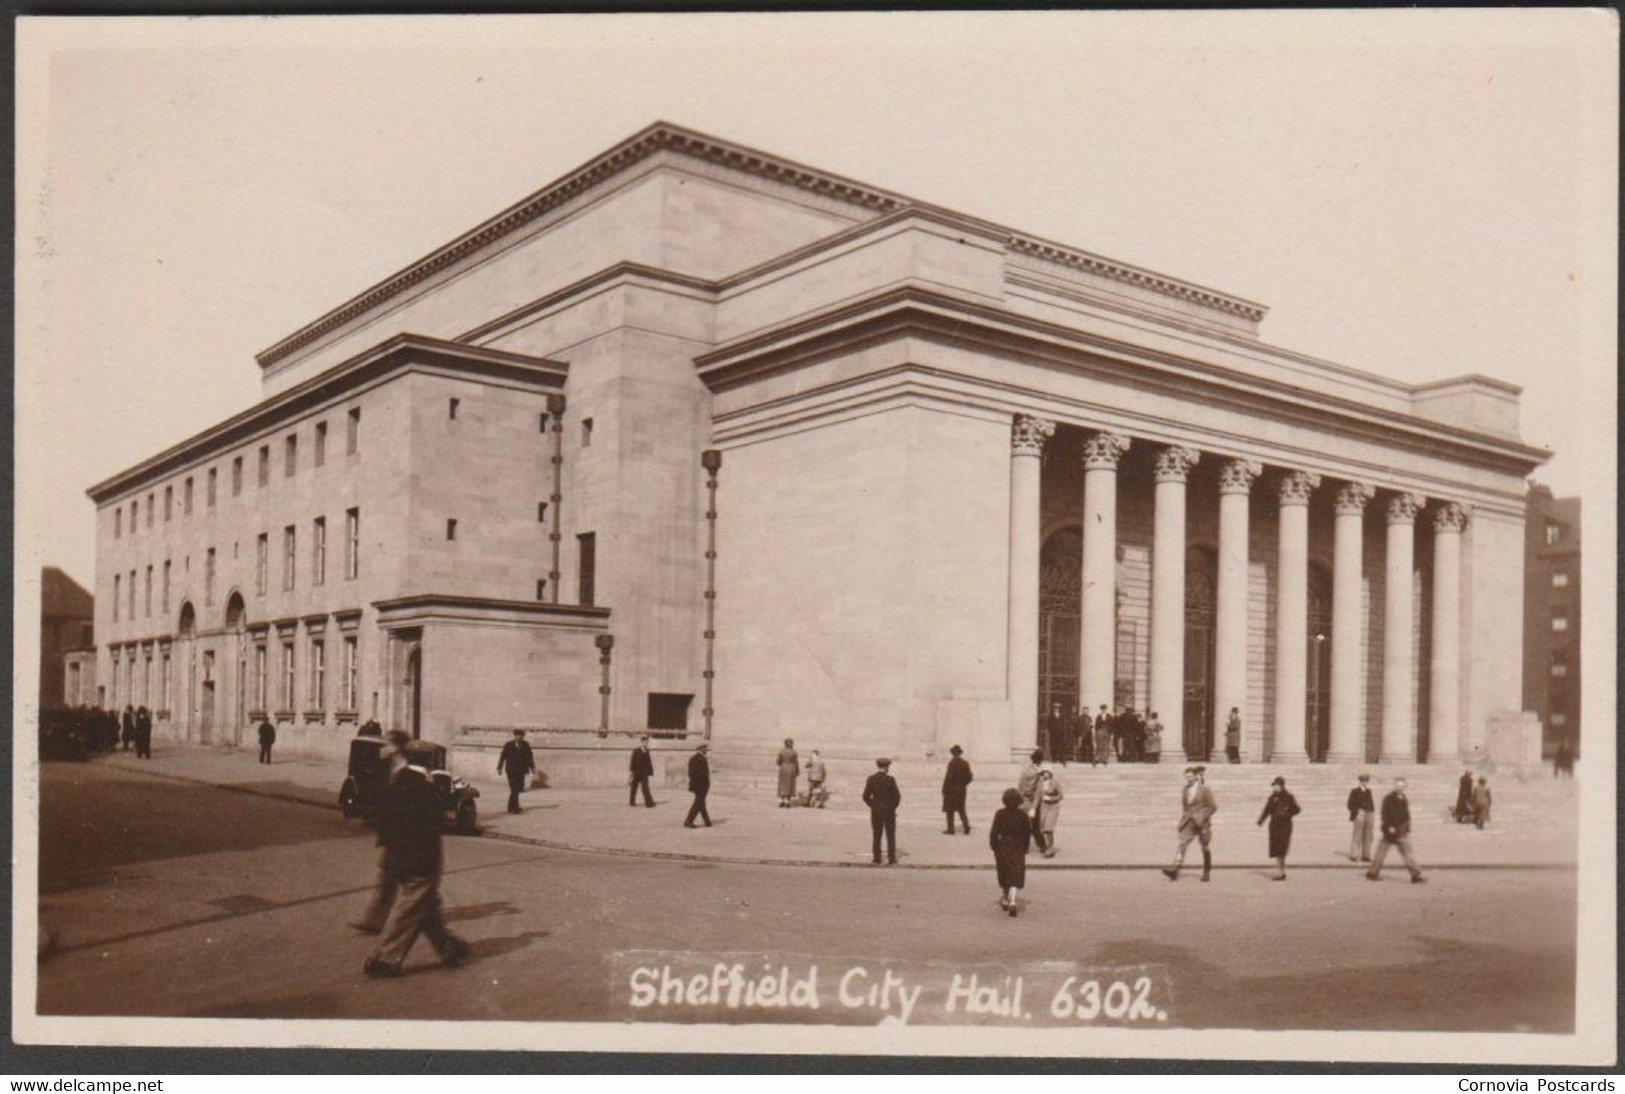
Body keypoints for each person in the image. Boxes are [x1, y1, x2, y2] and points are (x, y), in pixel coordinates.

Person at [362, 733, 470, 977]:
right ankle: (385, 958)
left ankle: (446, 948)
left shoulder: (401, 780)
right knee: (415, 907)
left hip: (403, 856)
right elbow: (436, 820)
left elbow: (386, 817)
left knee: (421, 906)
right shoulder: (422, 783)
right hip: (419, 859)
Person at [1162, 766, 1217, 882]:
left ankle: (1206, 872)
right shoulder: (1185, 790)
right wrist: (1184, 819)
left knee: (1205, 847)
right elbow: (1185, 807)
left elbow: (1213, 807)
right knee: (1182, 844)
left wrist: (1202, 817)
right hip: (1189, 822)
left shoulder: (1205, 790)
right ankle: (1175, 869)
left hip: (1202, 823)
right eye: (1186, 776)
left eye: (1190, 776)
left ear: (1196, 777)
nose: (1188, 779)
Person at [1367, 777, 1425, 883]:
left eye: (1402, 786)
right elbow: (1385, 813)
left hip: (1401, 830)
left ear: (1405, 787)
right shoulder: (1389, 798)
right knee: (1399, 853)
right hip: (1391, 830)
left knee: (1402, 852)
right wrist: (1389, 826)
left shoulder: (1404, 798)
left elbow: (1406, 814)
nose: (1400, 788)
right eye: (1398, 786)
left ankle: (1372, 872)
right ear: (1394, 786)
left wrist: (1407, 827)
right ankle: (1415, 875)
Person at [990, 788, 1034, 917]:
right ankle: (1013, 901)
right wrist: (1025, 848)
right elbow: (1027, 834)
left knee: (1004, 873)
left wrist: (994, 846)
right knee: (1015, 874)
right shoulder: (1022, 815)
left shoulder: (1000, 813)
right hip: (1017, 846)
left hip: (1003, 846)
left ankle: (1005, 898)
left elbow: (994, 833)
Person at [1256, 776, 1301, 880]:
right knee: (1276, 849)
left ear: (1281, 786)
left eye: (1276, 786)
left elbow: (1297, 810)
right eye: (1274, 786)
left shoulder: (1289, 797)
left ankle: (1281, 872)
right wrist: (1261, 821)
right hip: (1274, 826)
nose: (1274, 788)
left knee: (1282, 849)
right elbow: (1267, 810)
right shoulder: (1272, 797)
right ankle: (1281, 870)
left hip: (1285, 826)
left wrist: (1288, 812)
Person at [862, 757, 901, 865]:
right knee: (890, 835)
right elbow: (897, 797)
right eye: (888, 766)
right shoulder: (890, 779)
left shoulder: (871, 779)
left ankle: (877, 858)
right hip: (889, 811)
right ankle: (891, 858)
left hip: (876, 811)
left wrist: (873, 805)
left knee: (877, 835)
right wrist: (892, 807)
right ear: (886, 767)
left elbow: (865, 796)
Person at [496, 729, 536, 814]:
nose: (519, 737)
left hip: (521, 770)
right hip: (511, 770)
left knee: (516, 789)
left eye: (520, 736)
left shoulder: (526, 745)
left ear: (523, 737)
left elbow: (529, 757)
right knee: (514, 789)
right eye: (517, 735)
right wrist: (499, 767)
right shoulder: (508, 745)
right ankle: (515, 808)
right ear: (514, 736)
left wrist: (533, 768)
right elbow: (503, 756)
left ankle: (510, 806)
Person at [1017, 749, 1048, 853]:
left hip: (1030, 800)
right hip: (1030, 801)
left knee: (1031, 824)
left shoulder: (1030, 771)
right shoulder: (1034, 773)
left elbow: (1021, 786)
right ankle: (1040, 845)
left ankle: (1027, 846)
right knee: (1032, 824)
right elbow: (1025, 787)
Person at [941, 744, 974, 835]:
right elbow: (970, 777)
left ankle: (950, 829)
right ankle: (966, 826)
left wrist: (944, 790)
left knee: (949, 810)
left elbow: (948, 778)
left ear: (953, 753)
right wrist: (963, 784)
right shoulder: (965, 763)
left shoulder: (952, 763)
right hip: (962, 789)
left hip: (952, 789)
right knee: (961, 809)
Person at [1347, 773, 1375, 863]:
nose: (1365, 783)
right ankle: (1354, 855)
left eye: (1366, 781)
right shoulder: (1354, 791)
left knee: (1368, 835)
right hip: (1359, 815)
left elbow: (1371, 803)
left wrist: (1372, 812)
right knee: (1357, 835)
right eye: (1363, 781)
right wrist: (1357, 811)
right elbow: (1350, 804)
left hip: (1369, 814)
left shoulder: (1369, 791)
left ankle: (1366, 855)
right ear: (1360, 781)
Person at [1036, 767, 1063, 858]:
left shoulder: (1055, 782)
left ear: (1050, 773)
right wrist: (1033, 808)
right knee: (1043, 827)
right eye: (1043, 772)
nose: (1045, 774)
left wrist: (1051, 798)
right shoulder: (1040, 783)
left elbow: (1060, 795)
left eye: (1046, 772)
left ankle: (1050, 848)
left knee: (1049, 827)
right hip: (1044, 806)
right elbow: (1037, 796)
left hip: (1053, 806)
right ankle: (1047, 846)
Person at [684, 743, 712, 828]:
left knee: (701, 802)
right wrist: (701, 779)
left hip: (702, 785)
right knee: (698, 803)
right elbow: (692, 773)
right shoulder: (695, 759)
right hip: (699, 785)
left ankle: (707, 821)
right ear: (701, 749)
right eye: (705, 749)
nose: (706, 750)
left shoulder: (702, 758)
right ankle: (688, 821)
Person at [628, 735, 656, 807]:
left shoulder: (647, 751)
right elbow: (632, 761)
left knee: (645, 788)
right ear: (641, 742)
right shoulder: (636, 751)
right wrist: (631, 772)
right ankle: (632, 802)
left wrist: (650, 771)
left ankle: (649, 803)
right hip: (636, 772)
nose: (645, 744)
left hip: (644, 773)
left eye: (646, 742)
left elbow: (649, 762)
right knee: (634, 788)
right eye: (644, 742)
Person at [775, 738, 799, 808]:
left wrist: (782, 764)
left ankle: (782, 801)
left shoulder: (781, 751)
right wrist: (797, 771)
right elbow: (796, 763)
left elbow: (778, 761)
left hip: (783, 768)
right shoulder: (794, 752)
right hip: (792, 769)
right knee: (790, 785)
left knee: (782, 785)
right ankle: (787, 801)